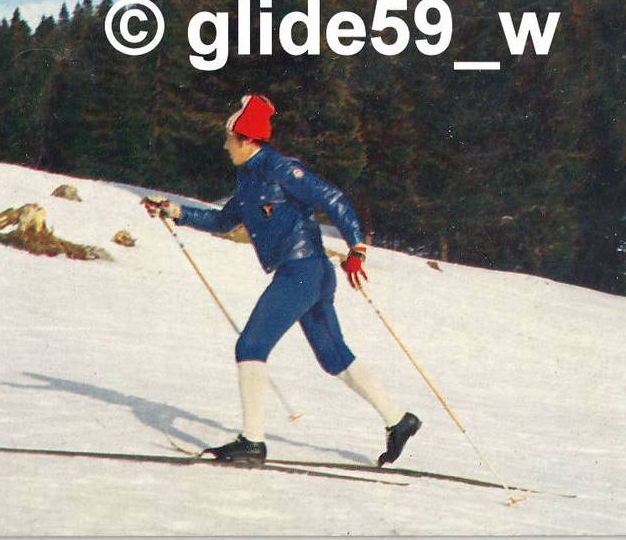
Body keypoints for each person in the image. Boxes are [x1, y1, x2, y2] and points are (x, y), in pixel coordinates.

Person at [143, 94, 421, 466]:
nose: (225, 145)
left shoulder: (280, 168)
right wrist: (175, 212)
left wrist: (357, 248)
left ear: (246, 139)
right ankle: (399, 419)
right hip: (307, 274)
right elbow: (224, 221)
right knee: (333, 357)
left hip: (303, 272)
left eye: (229, 138)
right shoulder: (247, 178)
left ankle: (252, 442)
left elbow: (333, 198)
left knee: (251, 346)